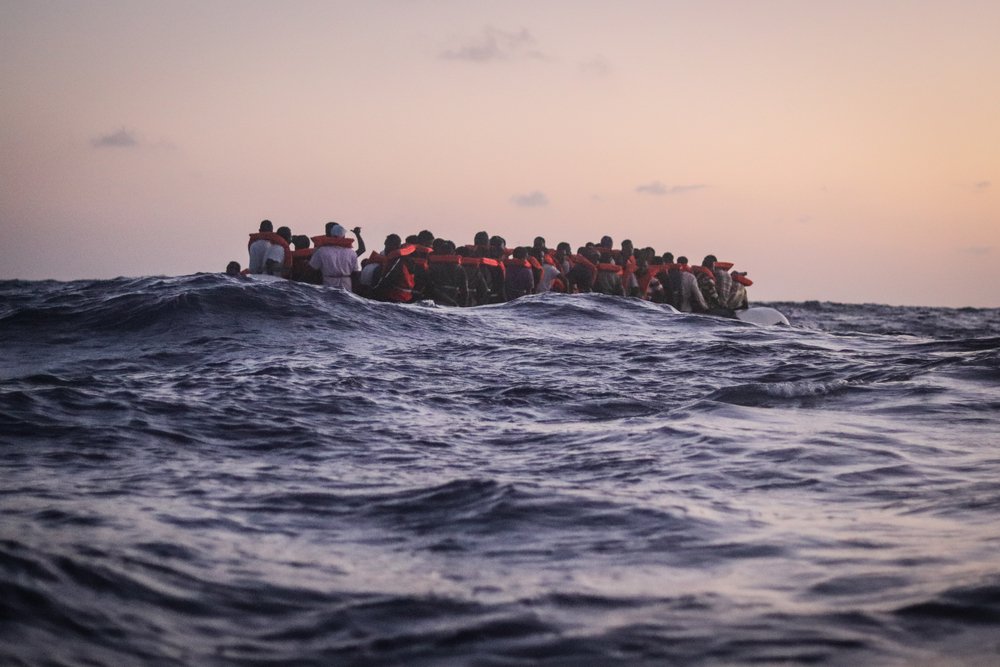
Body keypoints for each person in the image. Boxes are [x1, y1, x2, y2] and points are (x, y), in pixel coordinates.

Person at [310, 223, 361, 290]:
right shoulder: (352, 253)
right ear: (344, 236)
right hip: (346, 286)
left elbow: (312, 269)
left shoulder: (321, 251)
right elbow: (355, 274)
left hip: (328, 285)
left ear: (330, 235)